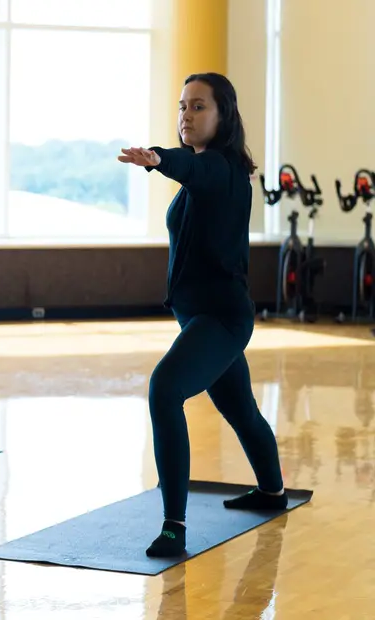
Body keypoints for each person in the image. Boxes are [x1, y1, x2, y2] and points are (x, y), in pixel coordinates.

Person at [116, 73, 287, 558]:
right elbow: (190, 173)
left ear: (223, 115)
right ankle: (272, 492)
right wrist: (166, 160)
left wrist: (157, 159)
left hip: (222, 319)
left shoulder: (223, 169)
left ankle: (174, 525)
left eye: (199, 107)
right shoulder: (204, 169)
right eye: (182, 107)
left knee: (165, 389)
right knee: (241, 410)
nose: (186, 116)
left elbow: (193, 170)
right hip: (200, 320)